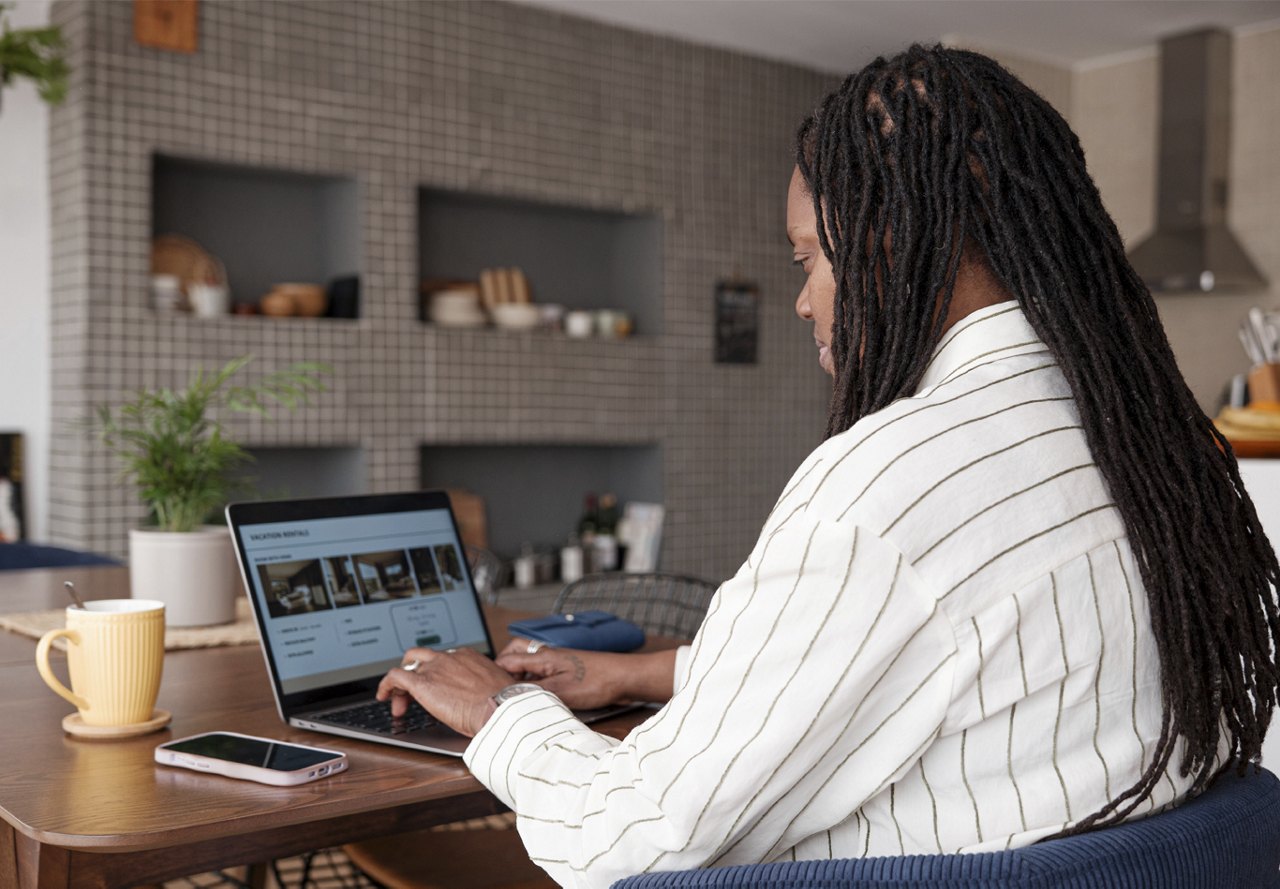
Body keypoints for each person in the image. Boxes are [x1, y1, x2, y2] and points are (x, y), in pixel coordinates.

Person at [376, 45, 1280, 888]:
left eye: (808, 257)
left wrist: (499, 709)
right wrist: (656, 671)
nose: (806, 301)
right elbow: (973, 661)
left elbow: (632, 840)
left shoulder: (890, 480)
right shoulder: (1155, 447)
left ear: (893, 234)